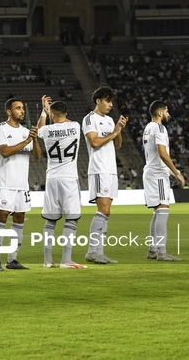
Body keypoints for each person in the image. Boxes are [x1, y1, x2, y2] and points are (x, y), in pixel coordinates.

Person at [0, 98, 41, 271]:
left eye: (22, 108)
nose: (22, 111)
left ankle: (12, 260)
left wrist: (34, 139)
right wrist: (26, 141)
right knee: (2, 217)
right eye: (18, 108)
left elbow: (37, 156)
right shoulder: (0, 129)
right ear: (9, 112)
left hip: (22, 185)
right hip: (5, 183)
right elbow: (4, 152)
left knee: (19, 219)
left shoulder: (26, 131)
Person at [37, 96, 84, 269]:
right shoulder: (75, 126)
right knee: (71, 219)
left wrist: (44, 111)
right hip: (69, 179)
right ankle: (66, 259)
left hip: (51, 179)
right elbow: (65, 120)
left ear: (52, 115)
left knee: (50, 221)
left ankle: (48, 260)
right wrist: (54, 113)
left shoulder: (47, 130)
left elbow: (38, 129)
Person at [82, 86, 127, 265]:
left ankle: (98, 252)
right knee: (103, 210)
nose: (110, 105)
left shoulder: (109, 120)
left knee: (106, 213)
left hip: (110, 170)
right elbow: (94, 142)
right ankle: (93, 251)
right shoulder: (89, 119)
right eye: (107, 101)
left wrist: (119, 129)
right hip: (99, 169)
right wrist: (113, 132)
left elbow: (117, 145)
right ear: (98, 101)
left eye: (111, 102)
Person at [142, 100, 184, 262]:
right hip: (158, 174)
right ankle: (162, 252)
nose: (168, 114)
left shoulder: (148, 128)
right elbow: (162, 152)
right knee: (163, 210)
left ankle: (153, 250)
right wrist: (177, 173)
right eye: (166, 111)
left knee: (157, 211)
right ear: (160, 113)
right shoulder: (159, 128)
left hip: (151, 172)